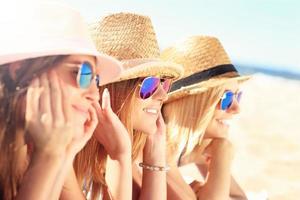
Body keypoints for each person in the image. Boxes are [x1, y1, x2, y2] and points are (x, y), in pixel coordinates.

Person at [0, 2, 122, 200]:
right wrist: (49, 157)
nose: (95, 94)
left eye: (96, 80)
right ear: (20, 69)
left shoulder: (27, 153)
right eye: (81, 73)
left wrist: (65, 152)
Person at [74, 13, 183, 200]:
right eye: (150, 84)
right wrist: (120, 156)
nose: (163, 95)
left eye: (164, 83)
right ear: (111, 90)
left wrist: (155, 155)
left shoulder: (128, 155)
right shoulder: (68, 158)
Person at [161, 36, 250, 200]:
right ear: (192, 104)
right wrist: (221, 157)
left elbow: (240, 198)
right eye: (227, 98)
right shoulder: (157, 149)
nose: (237, 108)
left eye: (238, 96)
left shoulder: (194, 144)